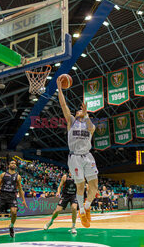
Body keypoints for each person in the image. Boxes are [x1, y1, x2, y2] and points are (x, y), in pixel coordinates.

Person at [57, 78, 98, 228]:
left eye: (81, 110)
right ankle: (81, 211)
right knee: (80, 186)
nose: (78, 111)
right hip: (74, 157)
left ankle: (87, 207)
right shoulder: (72, 121)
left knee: (94, 186)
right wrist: (59, 89)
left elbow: (92, 128)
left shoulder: (88, 124)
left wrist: (86, 114)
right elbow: (63, 105)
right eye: (78, 110)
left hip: (87, 155)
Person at [0, 160, 27, 238]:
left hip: (12, 196)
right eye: (12, 163)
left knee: (14, 212)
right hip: (2, 195)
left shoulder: (18, 176)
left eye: (14, 164)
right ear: (9, 165)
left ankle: (11, 226)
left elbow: (20, 189)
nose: (13, 164)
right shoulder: (3, 175)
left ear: (16, 166)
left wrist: (23, 200)